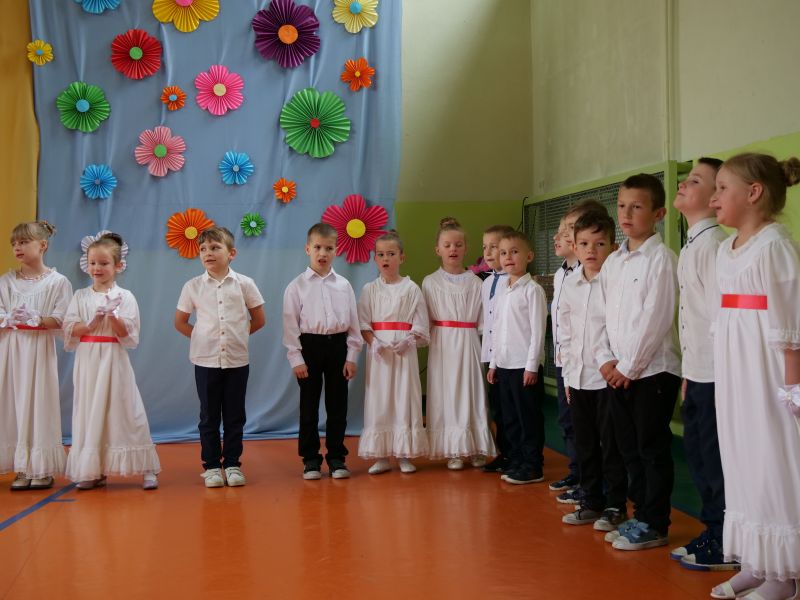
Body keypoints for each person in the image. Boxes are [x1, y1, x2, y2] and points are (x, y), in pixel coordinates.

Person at [708, 153, 800, 600]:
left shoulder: (775, 245)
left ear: (754, 192)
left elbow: (790, 324)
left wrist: (793, 387)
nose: (715, 197)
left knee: (770, 462)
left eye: (722, 188)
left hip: (766, 372)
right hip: (735, 372)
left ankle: (784, 575)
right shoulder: (726, 249)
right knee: (741, 459)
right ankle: (756, 561)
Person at [597, 174, 682, 551]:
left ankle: (655, 522)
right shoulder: (613, 262)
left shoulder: (662, 260)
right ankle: (639, 514)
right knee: (628, 449)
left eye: (637, 206)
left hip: (652, 372)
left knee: (651, 450)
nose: (626, 214)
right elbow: (601, 315)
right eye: (622, 206)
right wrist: (605, 359)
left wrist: (628, 368)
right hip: (618, 372)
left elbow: (656, 319)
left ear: (659, 213)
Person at [670, 158, 737, 572]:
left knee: (714, 459)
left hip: (715, 375)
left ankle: (726, 539)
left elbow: (718, 319)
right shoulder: (694, 244)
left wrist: (711, 373)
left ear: (714, 197)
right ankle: (714, 529)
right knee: (698, 454)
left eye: (695, 180)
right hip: (697, 372)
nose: (683, 184)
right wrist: (688, 372)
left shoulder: (712, 247)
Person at [63, 232, 160, 490]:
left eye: (104, 263)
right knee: (90, 411)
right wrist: (93, 321)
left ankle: (147, 468)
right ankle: (94, 469)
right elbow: (71, 328)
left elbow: (128, 334)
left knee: (125, 409)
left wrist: (113, 315)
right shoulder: (80, 296)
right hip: (88, 360)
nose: (97, 268)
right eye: (93, 263)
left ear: (118, 266)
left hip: (113, 356)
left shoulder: (125, 296)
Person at [176, 226, 265, 488]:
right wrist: (202, 338)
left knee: (235, 415)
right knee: (209, 416)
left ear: (231, 253)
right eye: (203, 249)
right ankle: (212, 466)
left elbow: (259, 319)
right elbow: (180, 322)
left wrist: (237, 336)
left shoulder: (245, 284)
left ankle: (233, 464)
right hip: (205, 362)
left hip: (237, 361)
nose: (208, 253)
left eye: (215, 248)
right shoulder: (193, 286)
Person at [558, 208, 628, 531]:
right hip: (578, 377)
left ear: (612, 247)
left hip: (606, 378)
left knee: (610, 444)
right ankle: (591, 500)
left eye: (599, 244)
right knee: (584, 443)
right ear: (574, 246)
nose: (591, 251)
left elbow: (619, 328)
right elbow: (566, 331)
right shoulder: (570, 284)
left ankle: (615, 504)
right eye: (584, 244)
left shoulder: (614, 283)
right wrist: (568, 374)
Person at [283, 223, 362, 480]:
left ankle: (337, 457)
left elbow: (354, 324)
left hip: (338, 346)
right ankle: (311, 460)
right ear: (308, 249)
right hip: (309, 348)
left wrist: (352, 357)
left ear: (336, 251)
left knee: (338, 405)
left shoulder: (344, 285)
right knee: (309, 406)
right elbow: (290, 326)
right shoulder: (296, 286)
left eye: (328, 248)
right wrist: (296, 358)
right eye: (317, 247)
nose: (323, 253)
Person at [0, 221, 71, 490]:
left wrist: (37, 319)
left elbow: (62, 319)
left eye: (24, 242)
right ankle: (21, 466)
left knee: (39, 402)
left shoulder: (58, 282)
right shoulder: (6, 282)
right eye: (14, 243)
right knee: (13, 404)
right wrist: (10, 318)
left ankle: (41, 467)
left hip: (38, 350)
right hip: (11, 351)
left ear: (42, 245)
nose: (17, 247)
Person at [423, 217, 496, 469]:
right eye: (447, 245)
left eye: (458, 244)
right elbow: (425, 319)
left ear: (466, 248)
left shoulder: (477, 283)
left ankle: (475, 446)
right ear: (438, 249)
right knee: (446, 394)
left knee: (471, 391)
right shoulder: (430, 282)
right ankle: (453, 449)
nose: (453, 249)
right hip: (442, 344)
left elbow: (484, 321)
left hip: (468, 342)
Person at [357, 230, 429, 474]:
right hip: (380, 354)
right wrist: (374, 343)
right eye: (380, 254)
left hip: (402, 352)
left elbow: (421, 323)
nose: (385, 258)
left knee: (403, 397)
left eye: (391, 254)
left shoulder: (412, 289)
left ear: (401, 257)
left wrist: (409, 340)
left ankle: (404, 453)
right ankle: (382, 455)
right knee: (380, 399)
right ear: (375, 258)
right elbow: (363, 323)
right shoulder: (369, 289)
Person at [550, 200, 607, 501]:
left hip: (598, 366)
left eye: (570, 229)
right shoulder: (564, 275)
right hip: (568, 360)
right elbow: (563, 322)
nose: (563, 235)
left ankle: (597, 484)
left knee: (596, 430)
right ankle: (579, 474)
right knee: (569, 422)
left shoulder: (603, 276)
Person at [486, 231, 547, 484]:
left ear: (529, 256)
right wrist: (493, 363)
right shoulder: (503, 291)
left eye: (514, 252)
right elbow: (497, 329)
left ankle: (533, 466)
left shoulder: (532, 291)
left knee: (527, 417)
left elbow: (538, 331)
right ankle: (516, 460)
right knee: (509, 417)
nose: (508, 257)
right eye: (503, 253)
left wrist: (532, 366)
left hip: (524, 366)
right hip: (504, 364)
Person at [479, 224, 515, 473]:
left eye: (495, 247)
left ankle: (519, 455)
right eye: (485, 247)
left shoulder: (512, 281)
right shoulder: (487, 281)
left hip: (509, 356)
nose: (489, 252)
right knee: (498, 408)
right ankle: (505, 453)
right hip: (490, 355)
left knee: (513, 409)